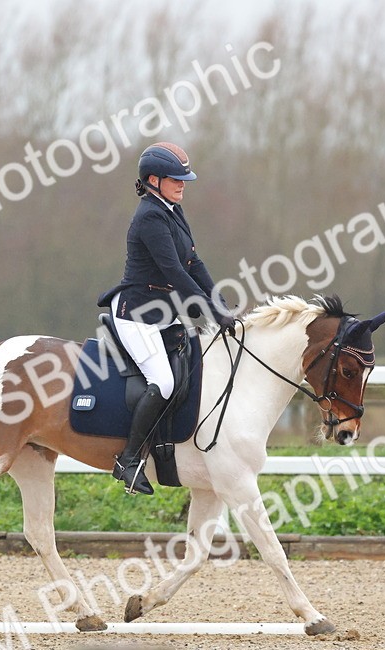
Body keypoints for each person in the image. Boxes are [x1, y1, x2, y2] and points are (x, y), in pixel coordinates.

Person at [97, 142, 235, 495]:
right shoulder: (149, 217)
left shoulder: (172, 210)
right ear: (153, 180)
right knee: (164, 381)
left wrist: (219, 304)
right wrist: (206, 308)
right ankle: (129, 460)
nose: (182, 184)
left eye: (183, 179)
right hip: (136, 315)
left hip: (162, 313)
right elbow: (173, 271)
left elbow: (193, 263)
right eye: (176, 179)